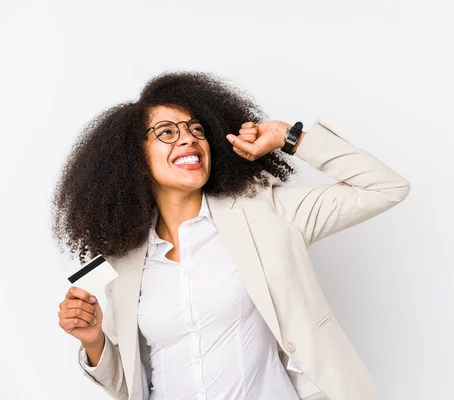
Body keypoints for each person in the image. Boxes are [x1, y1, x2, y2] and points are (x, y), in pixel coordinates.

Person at [53, 71, 411, 400]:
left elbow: (386, 188)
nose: (188, 140)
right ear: (135, 158)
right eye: (166, 132)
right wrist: (94, 341)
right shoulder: (120, 259)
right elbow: (130, 384)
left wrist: (291, 137)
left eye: (196, 129)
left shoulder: (267, 213)